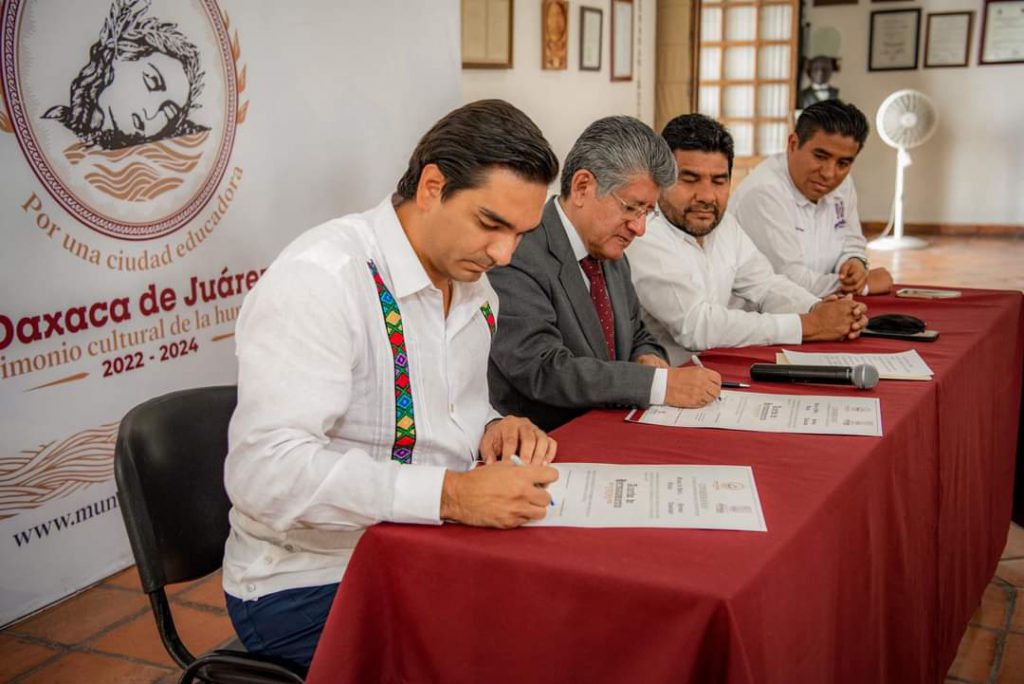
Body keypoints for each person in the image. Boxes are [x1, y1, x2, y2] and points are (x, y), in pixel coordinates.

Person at [223, 100, 561, 671]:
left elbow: (455, 413)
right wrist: (451, 496)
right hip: (310, 581)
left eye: (521, 233)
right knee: (507, 659)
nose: (504, 254)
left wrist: (494, 429)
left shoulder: (478, 291)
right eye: (490, 223)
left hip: (426, 548)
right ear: (432, 185)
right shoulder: (321, 279)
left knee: (569, 620)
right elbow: (265, 472)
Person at [487, 116, 722, 432]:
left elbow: (638, 332)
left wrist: (646, 358)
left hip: (613, 429)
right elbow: (543, 370)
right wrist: (658, 385)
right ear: (583, 187)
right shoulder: (520, 252)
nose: (638, 228)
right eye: (631, 208)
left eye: (646, 213)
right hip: (549, 443)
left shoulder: (609, 250)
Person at [628, 114, 869, 365]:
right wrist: (807, 324)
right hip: (672, 386)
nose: (707, 196)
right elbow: (697, 327)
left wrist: (816, 308)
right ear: (660, 179)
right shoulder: (645, 232)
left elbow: (765, 285)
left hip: (720, 371)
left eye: (719, 181)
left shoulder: (722, 225)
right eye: (690, 180)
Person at [730, 100, 893, 298]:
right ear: (793, 144)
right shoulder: (764, 193)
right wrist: (864, 285)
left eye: (843, 163)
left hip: (817, 308)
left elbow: (852, 241)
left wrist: (854, 264)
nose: (829, 173)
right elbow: (790, 282)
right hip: (760, 320)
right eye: (820, 156)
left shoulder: (843, 184)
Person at [43, 0, 207, 150]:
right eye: (151, 81)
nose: (152, 113)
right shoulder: (55, 125)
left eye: (169, 111)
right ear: (116, 55)